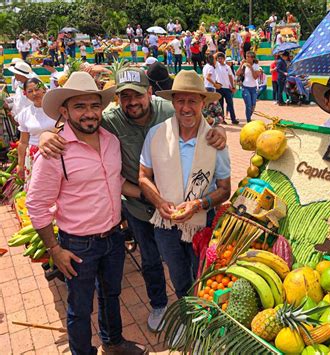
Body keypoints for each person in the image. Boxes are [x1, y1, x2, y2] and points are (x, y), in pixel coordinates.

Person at [39, 67, 227, 332]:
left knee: (187, 259)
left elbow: (195, 114)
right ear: (117, 98)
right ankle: (159, 305)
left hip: (177, 207)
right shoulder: (110, 119)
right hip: (138, 206)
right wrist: (48, 135)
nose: (132, 102)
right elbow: (76, 121)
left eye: (137, 95)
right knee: (150, 260)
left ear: (149, 93)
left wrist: (219, 130)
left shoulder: (167, 108)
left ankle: (193, 309)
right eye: (124, 96)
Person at [27, 72, 147, 355]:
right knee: (80, 307)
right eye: (80, 107)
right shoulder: (54, 151)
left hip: (113, 237)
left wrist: (150, 194)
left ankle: (113, 342)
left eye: (94, 105)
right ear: (64, 111)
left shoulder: (110, 140)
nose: (89, 113)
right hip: (78, 244)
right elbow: (36, 204)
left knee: (111, 295)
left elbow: (115, 181)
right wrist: (54, 249)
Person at [138, 70, 231, 301]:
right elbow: (143, 176)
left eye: (192, 101)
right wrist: (159, 202)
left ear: (203, 103)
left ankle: (199, 322)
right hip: (165, 225)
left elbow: (225, 188)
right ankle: (185, 314)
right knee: (179, 279)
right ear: (173, 102)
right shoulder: (156, 134)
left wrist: (199, 204)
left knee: (202, 278)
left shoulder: (214, 139)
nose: (186, 108)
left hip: (202, 224)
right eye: (180, 101)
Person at [16, 78, 56, 186]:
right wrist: (20, 164)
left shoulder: (57, 108)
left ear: (44, 89)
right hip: (34, 155)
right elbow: (23, 142)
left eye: (37, 89)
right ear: (25, 94)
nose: (34, 93)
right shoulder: (25, 114)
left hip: (56, 151)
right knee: (36, 188)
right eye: (30, 91)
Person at [236, 51, 261, 123]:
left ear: (253, 58)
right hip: (245, 87)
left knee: (253, 105)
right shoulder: (244, 65)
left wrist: (251, 68)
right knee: (248, 104)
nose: (249, 58)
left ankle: (249, 116)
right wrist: (241, 65)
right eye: (247, 56)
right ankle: (248, 120)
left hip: (253, 88)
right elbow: (237, 73)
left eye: (251, 57)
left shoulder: (256, 65)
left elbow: (255, 77)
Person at [215, 52, 238, 124]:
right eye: (218, 58)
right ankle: (222, 119)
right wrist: (218, 52)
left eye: (221, 58)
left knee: (230, 104)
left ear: (224, 59)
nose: (220, 60)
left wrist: (233, 86)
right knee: (220, 104)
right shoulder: (216, 66)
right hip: (219, 87)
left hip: (227, 88)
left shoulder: (227, 67)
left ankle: (233, 119)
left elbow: (231, 77)